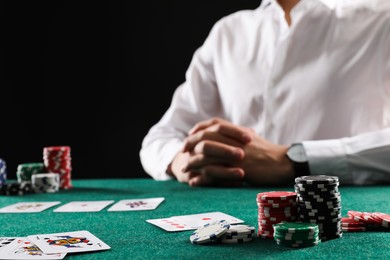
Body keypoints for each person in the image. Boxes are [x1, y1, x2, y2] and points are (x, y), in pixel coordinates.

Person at [139, 0, 390, 187]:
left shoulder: (383, 19)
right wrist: (181, 160)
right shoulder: (228, 32)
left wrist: (292, 161)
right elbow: (159, 139)